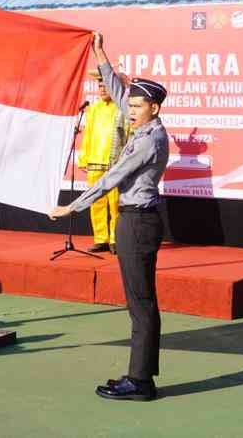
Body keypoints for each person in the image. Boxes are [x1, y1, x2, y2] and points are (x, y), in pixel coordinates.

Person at [51, 32, 169, 402]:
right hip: (134, 219)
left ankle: (140, 382)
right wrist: (101, 54)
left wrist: (73, 206)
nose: (130, 109)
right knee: (140, 302)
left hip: (138, 221)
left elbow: (113, 178)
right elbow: (118, 94)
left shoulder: (149, 139)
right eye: (130, 105)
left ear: (154, 108)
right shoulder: (144, 126)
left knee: (141, 303)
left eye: (137, 106)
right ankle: (139, 376)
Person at [77, 69, 128, 253]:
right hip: (95, 163)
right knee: (96, 202)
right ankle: (101, 238)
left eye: (105, 84)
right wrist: (84, 158)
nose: (102, 88)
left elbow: (128, 137)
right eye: (99, 84)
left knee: (115, 204)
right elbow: (88, 135)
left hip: (114, 164)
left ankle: (115, 239)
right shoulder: (94, 109)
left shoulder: (122, 109)